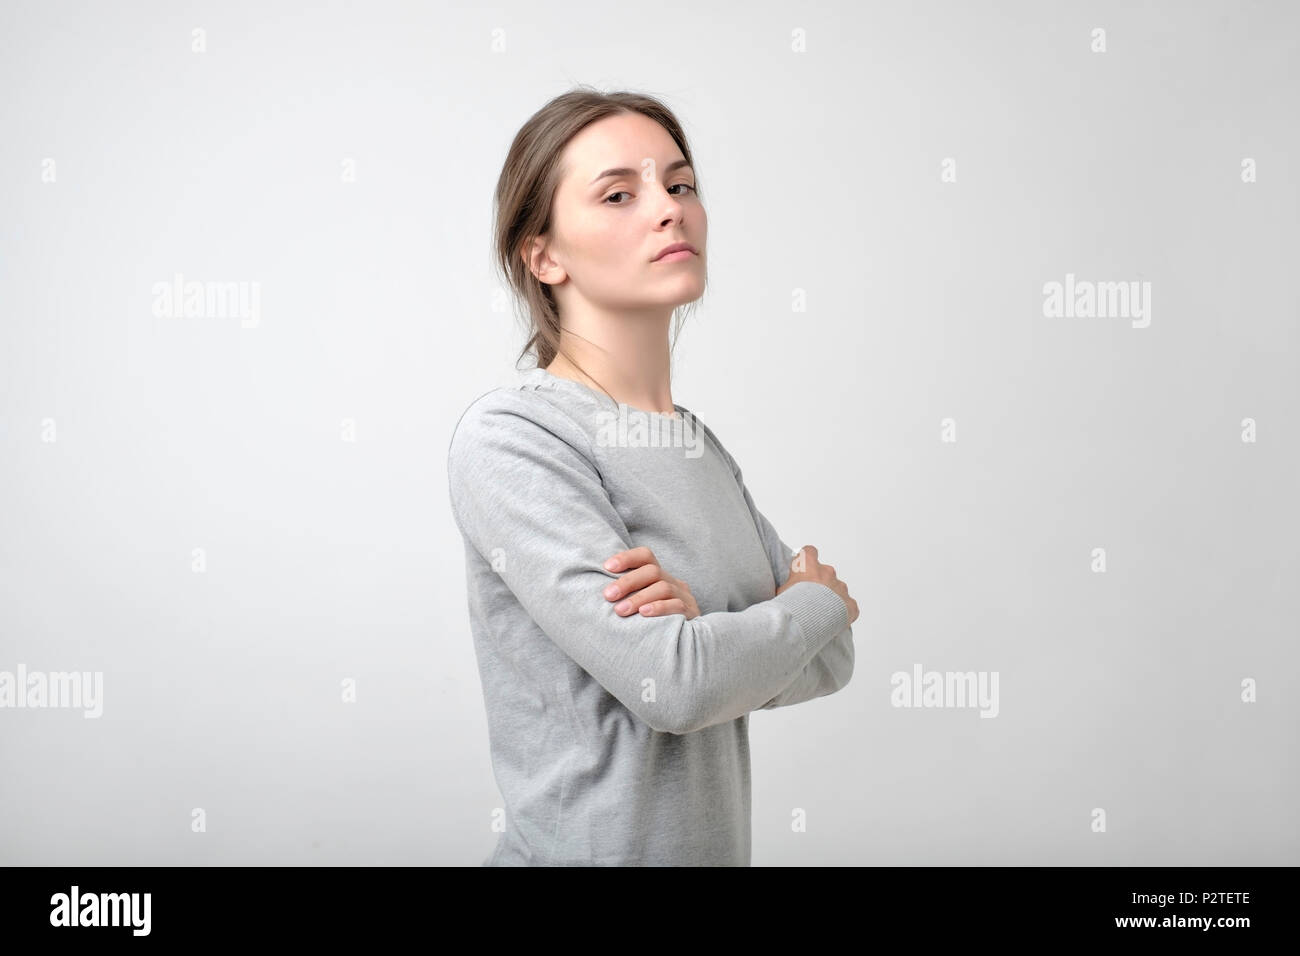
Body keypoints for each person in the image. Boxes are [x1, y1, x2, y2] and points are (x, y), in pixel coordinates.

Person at [446, 87, 859, 866]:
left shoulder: (697, 446)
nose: (668, 210)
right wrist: (804, 606)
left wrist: (708, 637)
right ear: (544, 255)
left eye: (680, 184)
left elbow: (833, 659)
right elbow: (675, 687)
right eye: (618, 194)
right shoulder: (515, 438)